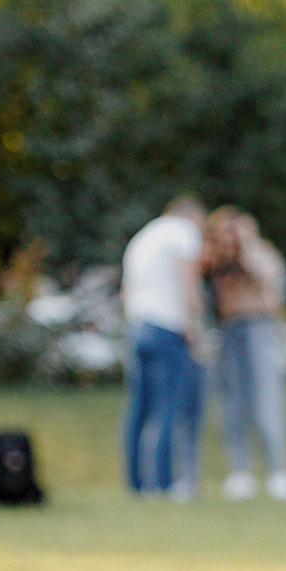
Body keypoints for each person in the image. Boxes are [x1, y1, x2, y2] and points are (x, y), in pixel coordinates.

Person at [204, 208, 286, 502]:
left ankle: (279, 471)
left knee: (266, 401)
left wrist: (246, 245)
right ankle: (241, 471)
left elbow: (271, 279)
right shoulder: (219, 262)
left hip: (258, 326)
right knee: (232, 403)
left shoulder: (262, 254)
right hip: (228, 328)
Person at [118, 196, 205, 500]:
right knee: (169, 406)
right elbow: (189, 283)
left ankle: (136, 483)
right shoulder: (183, 232)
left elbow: (125, 291)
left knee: (139, 409)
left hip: (138, 326)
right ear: (192, 215)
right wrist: (193, 326)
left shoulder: (142, 237)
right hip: (168, 327)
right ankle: (166, 483)